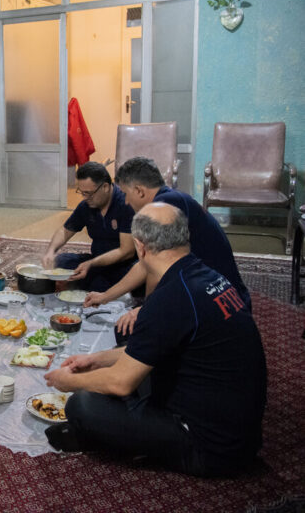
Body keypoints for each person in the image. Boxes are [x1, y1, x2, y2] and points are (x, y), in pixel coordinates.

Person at [44, 202, 267, 477]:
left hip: (208, 447)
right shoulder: (202, 276)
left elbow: (120, 383)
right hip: (238, 432)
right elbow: (158, 345)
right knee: (124, 356)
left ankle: (128, 440)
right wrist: (96, 359)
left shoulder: (169, 297)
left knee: (82, 405)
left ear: (140, 247)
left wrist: (68, 382)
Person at [86, 156, 250, 340]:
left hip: (214, 302)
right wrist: (106, 297)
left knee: (129, 332)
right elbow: (147, 264)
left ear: (139, 191)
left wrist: (147, 311)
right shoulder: (172, 198)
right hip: (222, 295)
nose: (125, 202)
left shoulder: (163, 208)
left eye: (125, 194)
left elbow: (152, 269)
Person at [41, 162, 136, 292]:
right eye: (82, 193)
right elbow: (65, 231)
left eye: (89, 193)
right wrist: (50, 251)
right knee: (60, 261)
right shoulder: (87, 205)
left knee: (100, 285)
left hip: (123, 264)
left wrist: (91, 264)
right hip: (98, 260)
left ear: (105, 187)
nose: (85, 198)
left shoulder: (126, 204)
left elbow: (126, 251)